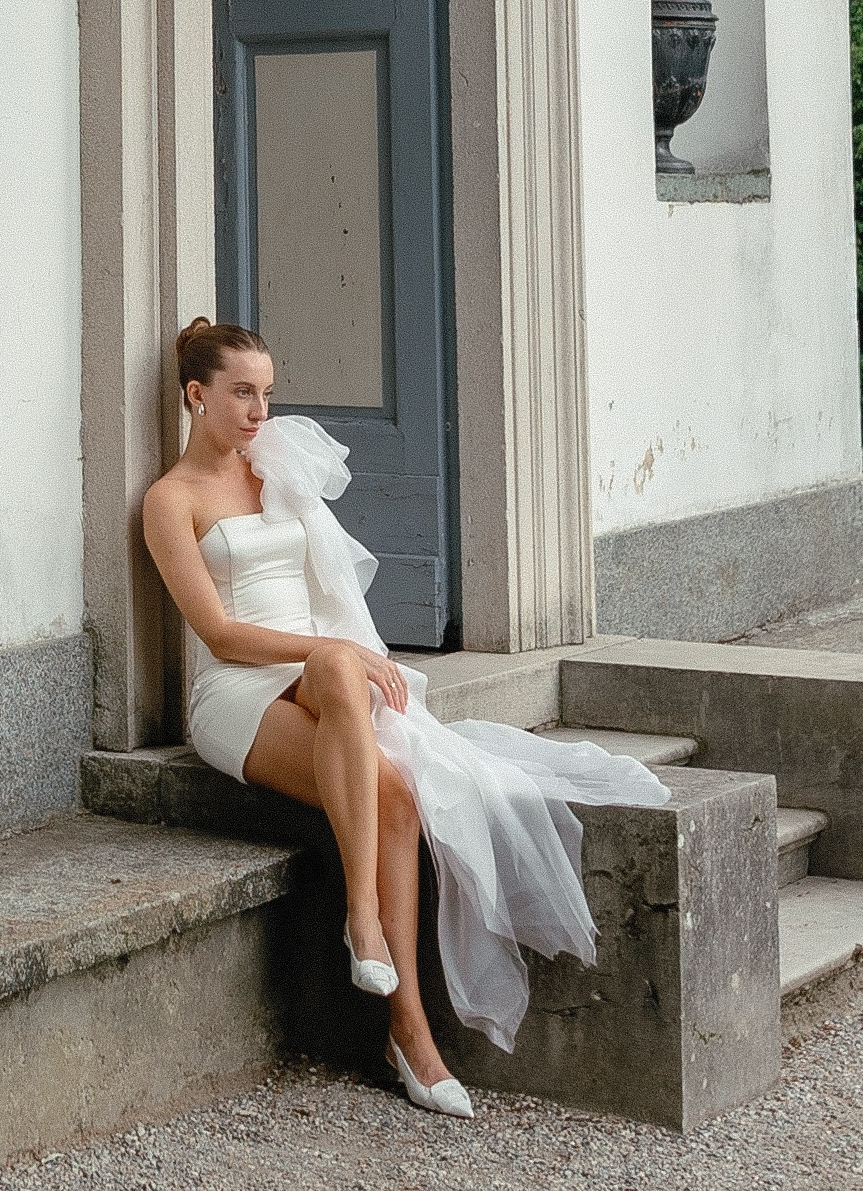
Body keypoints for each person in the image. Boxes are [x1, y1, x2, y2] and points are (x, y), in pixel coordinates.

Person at [140, 317, 668, 1121]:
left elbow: (330, 584)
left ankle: (393, 997)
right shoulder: (168, 501)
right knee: (379, 770)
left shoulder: (272, 468)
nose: (258, 410)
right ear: (196, 394)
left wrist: (338, 654)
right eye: (242, 393)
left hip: (318, 678)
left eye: (268, 393)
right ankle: (386, 970)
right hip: (235, 695)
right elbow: (217, 633)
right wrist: (336, 653)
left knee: (387, 770)